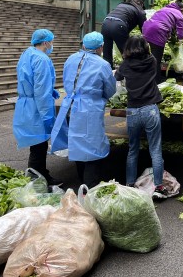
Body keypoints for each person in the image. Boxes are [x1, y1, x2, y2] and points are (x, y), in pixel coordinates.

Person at [50, 32, 116, 188]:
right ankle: (90, 186)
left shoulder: (71, 59)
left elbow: (67, 80)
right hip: (90, 108)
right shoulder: (103, 65)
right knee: (92, 149)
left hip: (70, 106)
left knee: (77, 144)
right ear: (101, 47)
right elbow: (110, 89)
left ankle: (82, 183)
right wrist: (100, 98)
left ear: (84, 45)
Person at [114, 36, 168, 199]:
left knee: (133, 149)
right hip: (150, 109)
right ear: (145, 47)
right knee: (155, 150)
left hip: (132, 110)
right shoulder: (151, 61)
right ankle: (158, 187)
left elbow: (116, 77)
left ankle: (130, 184)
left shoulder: (125, 65)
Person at [13, 29, 61, 186]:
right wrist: (47, 115)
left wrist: (49, 89)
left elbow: (30, 80)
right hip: (36, 106)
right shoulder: (42, 59)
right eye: (51, 41)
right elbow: (41, 91)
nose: (52, 44)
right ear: (46, 42)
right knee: (39, 147)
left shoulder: (28, 54)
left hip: (27, 104)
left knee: (36, 145)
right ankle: (37, 181)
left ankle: (41, 175)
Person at [142, 0, 183, 83]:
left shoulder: (163, 9)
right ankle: (156, 81)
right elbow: (181, 30)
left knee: (151, 55)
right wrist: (180, 40)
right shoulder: (179, 14)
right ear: (182, 10)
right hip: (158, 31)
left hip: (146, 29)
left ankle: (148, 77)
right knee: (156, 59)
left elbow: (163, 21)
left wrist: (169, 34)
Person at [101, 0, 147, 68]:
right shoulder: (140, 11)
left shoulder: (121, 5)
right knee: (127, 52)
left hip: (105, 23)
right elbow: (144, 29)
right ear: (140, 3)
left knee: (107, 53)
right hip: (119, 25)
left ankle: (108, 74)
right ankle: (131, 74)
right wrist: (145, 43)